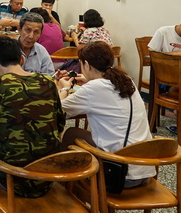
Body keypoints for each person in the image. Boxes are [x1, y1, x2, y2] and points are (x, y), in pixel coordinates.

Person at [0, 37, 65, 213]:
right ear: (21, 60)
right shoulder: (48, 82)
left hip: (13, 177)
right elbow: (59, 126)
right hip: (48, 175)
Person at [57, 41, 155, 186]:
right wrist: (90, 81)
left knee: (71, 134)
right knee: (78, 134)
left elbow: (57, 112)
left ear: (87, 65)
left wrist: (63, 89)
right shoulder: (126, 80)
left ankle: (63, 184)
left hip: (119, 174)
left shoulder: (93, 88)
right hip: (145, 167)